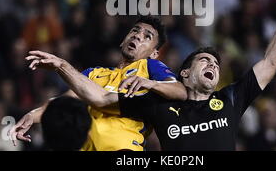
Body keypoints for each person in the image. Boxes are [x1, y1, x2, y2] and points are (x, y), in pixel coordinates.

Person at [26, 0, 276, 150]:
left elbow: (271, 62)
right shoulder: (159, 106)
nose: (213, 64)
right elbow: (99, 98)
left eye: (215, 63)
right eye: (204, 60)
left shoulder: (230, 99)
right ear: (185, 73)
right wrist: (60, 71)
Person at [10, 15, 186, 151]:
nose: (138, 36)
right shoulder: (94, 73)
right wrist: (31, 116)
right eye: (135, 31)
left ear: (154, 53)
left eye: (147, 36)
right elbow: (65, 103)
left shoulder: (150, 67)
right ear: (123, 40)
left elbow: (179, 90)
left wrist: (150, 84)